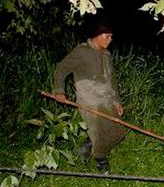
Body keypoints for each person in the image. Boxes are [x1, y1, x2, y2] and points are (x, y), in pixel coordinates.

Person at [53, 19, 126, 173]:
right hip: (89, 100)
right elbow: (61, 69)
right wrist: (59, 91)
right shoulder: (82, 51)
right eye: (107, 36)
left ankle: (88, 145)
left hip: (106, 99)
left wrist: (117, 101)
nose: (110, 40)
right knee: (99, 133)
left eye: (111, 37)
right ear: (97, 35)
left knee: (118, 133)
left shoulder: (107, 55)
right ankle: (101, 161)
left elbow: (112, 80)